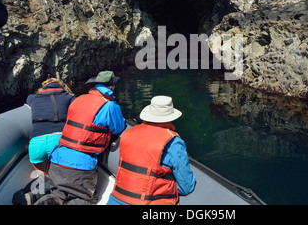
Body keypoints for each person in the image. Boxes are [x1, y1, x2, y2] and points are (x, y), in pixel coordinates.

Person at [39, 71, 125, 205]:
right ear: (112, 87)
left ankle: (36, 198)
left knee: (59, 194)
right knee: (86, 201)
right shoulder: (109, 106)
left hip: (57, 160)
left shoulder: (79, 99)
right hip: (80, 167)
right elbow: (118, 128)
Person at [108, 95, 196, 205]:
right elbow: (186, 187)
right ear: (171, 117)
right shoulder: (173, 142)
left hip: (116, 199)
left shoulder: (128, 133)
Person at [26, 78, 76, 176]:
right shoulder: (68, 97)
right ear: (62, 87)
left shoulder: (32, 98)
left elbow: (29, 101)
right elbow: (78, 105)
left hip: (37, 144)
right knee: (65, 172)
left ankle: (46, 180)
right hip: (60, 140)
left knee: (43, 171)